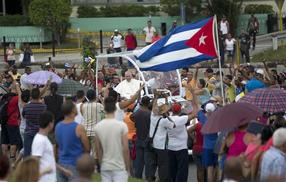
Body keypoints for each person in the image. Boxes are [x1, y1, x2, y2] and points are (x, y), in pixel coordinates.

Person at [94, 97, 130, 182]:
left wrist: (101, 163)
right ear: (115, 109)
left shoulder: (98, 127)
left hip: (105, 165)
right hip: (119, 166)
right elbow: (125, 149)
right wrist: (127, 168)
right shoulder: (122, 126)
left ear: (105, 110)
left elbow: (98, 149)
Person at [55, 100, 90, 182]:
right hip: (75, 164)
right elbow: (87, 148)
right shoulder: (79, 128)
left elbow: (57, 145)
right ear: (73, 110)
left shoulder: (58, 126)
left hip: (61, 163)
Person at [168, 101, 198, 182]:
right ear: (180, 111)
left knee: (173, 170)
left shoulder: (167, 119)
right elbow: (195, 113)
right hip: (181, 148)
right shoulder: (182, 119)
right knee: (182, 171)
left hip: (170, 148)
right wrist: (193, 94)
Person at [31, 111, 57, 182]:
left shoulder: (44, 138)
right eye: (53, 122)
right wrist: (45, 171)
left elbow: (49, 159)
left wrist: (62, 169)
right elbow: (34, 163)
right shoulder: (40, 140)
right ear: (50, 123)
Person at [130, 96, 152, 179]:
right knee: (148, 162)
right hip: (147, 139)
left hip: (139, 138)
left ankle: (138, 177)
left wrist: (136, 122)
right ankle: (148, 178)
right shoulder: (149, 114)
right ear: (148, 103)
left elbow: (131, 117)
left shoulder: (137, 112)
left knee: (139, 161)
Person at [23, 88, 47, 157]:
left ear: (31, 96)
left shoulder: (26, 107)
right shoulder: (44, 107)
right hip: (40, 133)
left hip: (29, 133)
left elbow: (24, 116)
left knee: (27, 154)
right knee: (39, 155)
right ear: (39, 96)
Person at [1, 82, 22, 161]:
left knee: (4, 140)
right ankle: (12, 157)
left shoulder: (4, 97)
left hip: (3, 121)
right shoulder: (16, 98)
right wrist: (18, 87)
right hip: (12, 122)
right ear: (16, 89)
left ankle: (4, 159)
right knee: (14, 141)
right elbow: (21, 98)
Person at [81, 89, 103, 162]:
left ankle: (87, 166)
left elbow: (82, 114)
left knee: (86, 151)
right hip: (95, 132)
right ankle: (96, 168)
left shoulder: (83, 106)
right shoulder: (99, 105)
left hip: (86, 131)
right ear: (95, 96)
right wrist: (101, 100)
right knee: (95, 152)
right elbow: (105, 112)